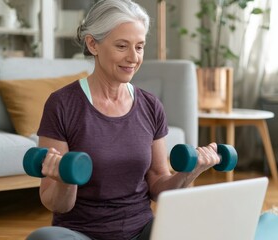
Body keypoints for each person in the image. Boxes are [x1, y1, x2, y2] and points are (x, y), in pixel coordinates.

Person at [26, 0, 221, 239]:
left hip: (141, 231)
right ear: (93, 44)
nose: (133, 57)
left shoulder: (151, 106)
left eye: (139, 47)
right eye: (122, 46)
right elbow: (56, 204)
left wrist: (190, 172)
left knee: (199, 226)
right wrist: (66, 180)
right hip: (82, 233)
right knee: (44, 238)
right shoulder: (62, 104)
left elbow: (159, 185)